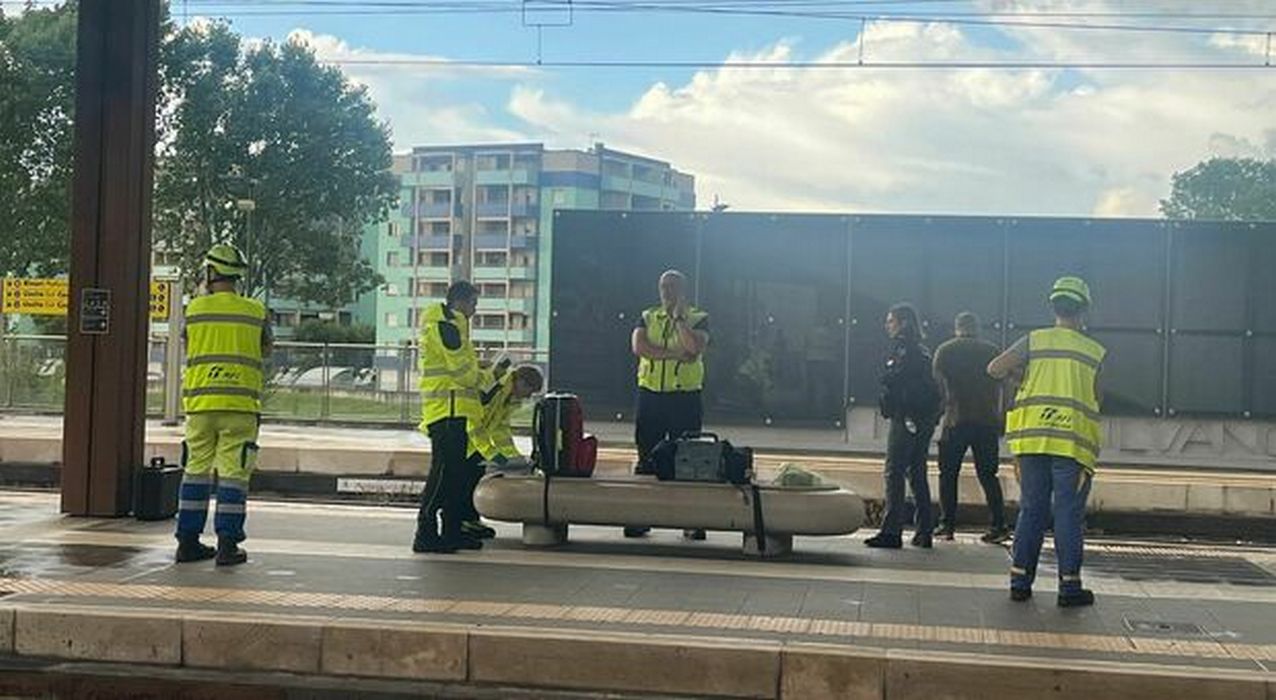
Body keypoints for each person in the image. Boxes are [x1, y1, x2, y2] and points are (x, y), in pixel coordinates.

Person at [988, 276, 1105, 608]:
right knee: (1068, 514)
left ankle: (1020, 582)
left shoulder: (1033, 341)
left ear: (1053, 306)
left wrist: (1022, 376)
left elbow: (994, 368)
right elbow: (1098, 397)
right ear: (1084, 310)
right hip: (1071, 445)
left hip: (1031, 442)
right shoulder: (1093, 352)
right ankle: (1069, 588)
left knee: (1031, 510)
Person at [175, 243, 272, 567]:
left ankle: (187, 543)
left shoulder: (194, 309)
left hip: (201, 405)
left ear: (210, 272)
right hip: (240, 406)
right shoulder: (256, 311)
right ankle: (228, 546)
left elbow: (188, 342)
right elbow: (267, 349)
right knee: (233, 475)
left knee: (195, 471)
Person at [628, 269, 710, 540]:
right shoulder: (648, 316)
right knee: (646, 457)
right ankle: (641, 517)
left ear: (682, 290)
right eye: (663, 286)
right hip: (651, 394)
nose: (667, 292)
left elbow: (694, 347)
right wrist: (674, 354)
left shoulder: (699, 317)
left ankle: (691, 520)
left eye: (672, 287)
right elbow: (640, 348)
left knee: (688, 459)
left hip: (684, 397)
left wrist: (679, 320)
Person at [413, 281, 485, 554]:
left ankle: (452, 531)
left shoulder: (454, 326)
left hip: (457, 412)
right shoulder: (445, 326)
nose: (475, 310)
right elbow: (463, 373)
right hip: (446, 412)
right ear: (461, 301)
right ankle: (426, 532)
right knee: (442, 474)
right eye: (473, 304)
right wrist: (479, 377)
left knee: (457, 476)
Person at [865, 302, 941, 550]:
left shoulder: (903, 349)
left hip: (906, 416)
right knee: (917, 472)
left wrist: (886, 378)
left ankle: (891, 531)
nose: (887, 326)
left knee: (894, 471)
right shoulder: (922, 350)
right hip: (923, 418)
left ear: (903, 323)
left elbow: (894, 378)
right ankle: (924, 530)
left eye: (891, 321)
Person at [932, 311, 1009, 543]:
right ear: (977, 328)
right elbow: (1007, 386)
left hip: (956, 420)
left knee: (948, 475)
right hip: (986, 421)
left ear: (957, 327)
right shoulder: (992, 351)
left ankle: (947, 525)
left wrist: (937, 413)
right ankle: (998, 525)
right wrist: (1002, 415)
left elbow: (937, 385)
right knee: (988, 475)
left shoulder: (945, 351)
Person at [460, 364, 545, 539]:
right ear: (521, 382)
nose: (528, 397)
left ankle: (469, 519)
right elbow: (473, 423)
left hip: (474, 441)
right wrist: (492, 454)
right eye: (529, 391)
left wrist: (512, 456)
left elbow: (500, 428)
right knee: (461, 480)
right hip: (460, 435)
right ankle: (460, 522)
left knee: (473, 476)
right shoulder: (494, 389)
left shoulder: (508, 397)